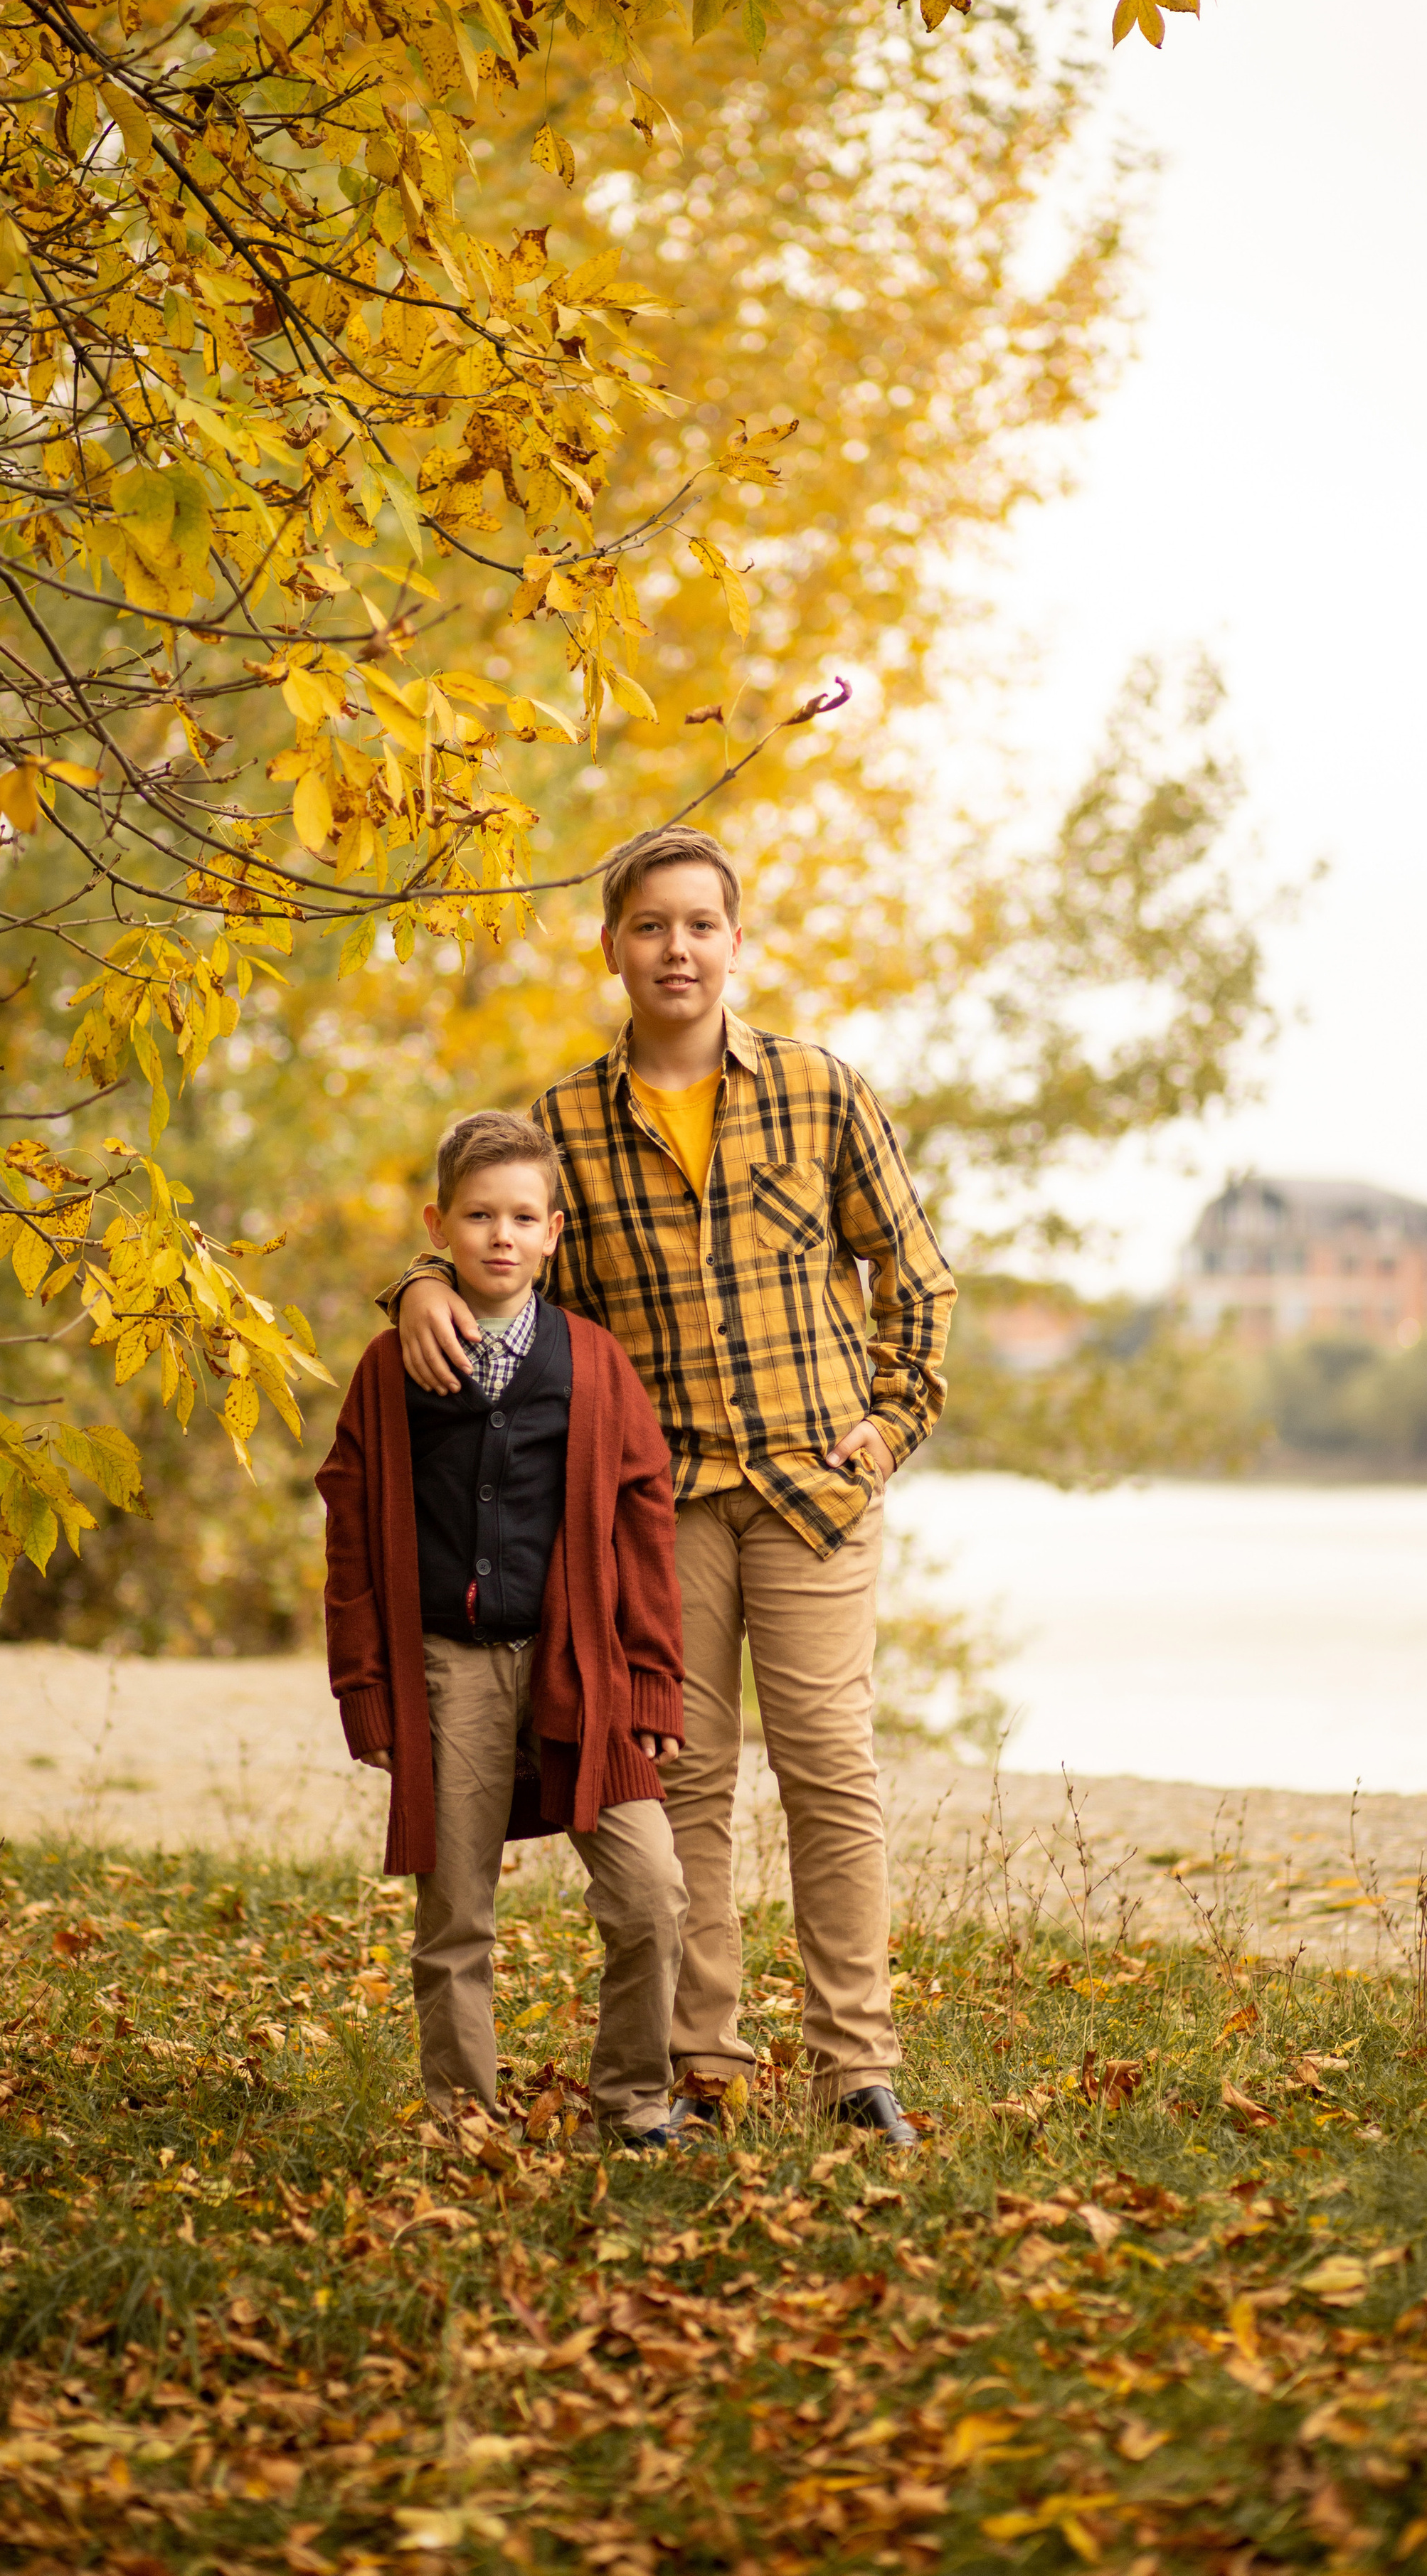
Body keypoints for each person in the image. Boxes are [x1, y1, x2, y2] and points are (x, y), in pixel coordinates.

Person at [390, 829, 955, 2148]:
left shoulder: (819, 1091)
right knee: (680, 1775)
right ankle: (703, 2060)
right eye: (651, 926)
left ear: (736, 942)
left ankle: (854, 2064)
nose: (678, 949)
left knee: (828, 1769)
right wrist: (414, 1285)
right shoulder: (569, 1120)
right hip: (662, 1503)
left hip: (817, 1490)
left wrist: (886, 1426)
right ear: (615, 948)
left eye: (702, 924)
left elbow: (913, 1274)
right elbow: (497, 1246)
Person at [316, 1109, 691, 2150]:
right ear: (440, 1224)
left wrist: (655, 1680)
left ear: (555, 1232)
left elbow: (643, 1518)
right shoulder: (389, 1370)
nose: (500, 1236)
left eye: (523, 1217)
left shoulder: (596, 1363)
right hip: (448, 1670)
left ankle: (632, 2104)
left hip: (583, 1665)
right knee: (456, 1918)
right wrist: (367, 1690)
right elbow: (350, 1536)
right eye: (479, 1215)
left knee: (652, 1893)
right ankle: (465, 2120)